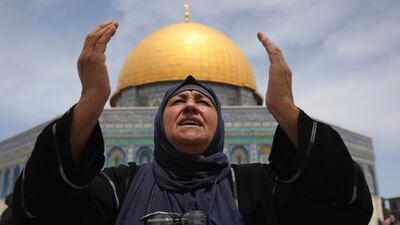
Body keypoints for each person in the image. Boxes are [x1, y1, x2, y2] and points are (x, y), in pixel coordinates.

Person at [4, 21, 373, 225]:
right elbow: (36, 208)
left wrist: (285, 110)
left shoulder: (257, 190)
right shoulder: (120, 187)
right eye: (177, 99)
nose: (191, 105)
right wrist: (91, 103)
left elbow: (345, 203)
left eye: (204, 100)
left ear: (221, 121)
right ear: (157, 118)